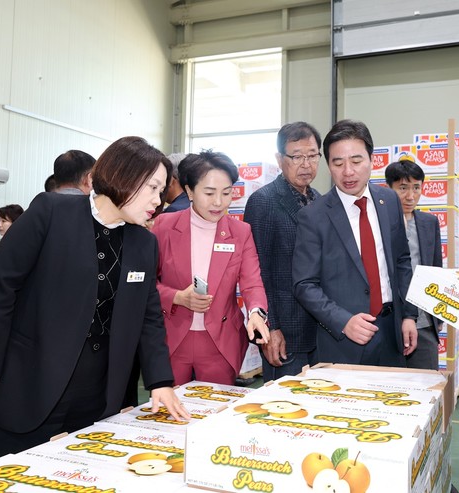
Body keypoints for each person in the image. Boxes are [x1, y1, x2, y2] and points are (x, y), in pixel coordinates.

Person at [0, 136, 190, 465]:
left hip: (99, 392)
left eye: (161, 190)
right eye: (153, 188)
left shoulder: (143, 243)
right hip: (31, 379)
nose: (158, 200)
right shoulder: (51, 212)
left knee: (80, 472)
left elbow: (148, 317)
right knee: (8, 473)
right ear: (123, 175)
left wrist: (160, 381)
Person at [293, 119, 418, 366]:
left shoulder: (389, 201)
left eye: (356, 161)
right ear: (329, 165)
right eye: (338, 163)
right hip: (343, 341)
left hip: (392, 333)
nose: (348, 172)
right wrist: (343, 321)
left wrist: (408, 315)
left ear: (372, 159)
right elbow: (304, 284)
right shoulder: (313, 216)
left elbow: (402, 261)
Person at [152, 151, 270, 386]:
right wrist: (177, 297)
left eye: (226, 193)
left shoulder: (240, 232)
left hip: (220, 341)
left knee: (218, 403)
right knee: (168, 405)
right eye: (209, 193)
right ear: (189, 191)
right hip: (172, 337)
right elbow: (148, 282)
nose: (219, 202)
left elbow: (252, 282)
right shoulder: (165, 226)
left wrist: (257, 313)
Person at [244, 122, 323, 381]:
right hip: (286, 332)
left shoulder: (320, 200)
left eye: (312, 156)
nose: (306, 164)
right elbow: (258, 272)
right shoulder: (263, 201)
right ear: (279, 159)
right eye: (297, 156)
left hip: (321, 330)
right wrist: (271, 328)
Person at [385, 159, 442, 370]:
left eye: (416, 188)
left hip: (423, 322)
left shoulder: (429, 223)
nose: (410, 196)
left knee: (427, 382)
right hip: (388, 324)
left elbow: (435, 268)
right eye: (403, 188)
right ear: (389, 189)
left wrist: (437, 316)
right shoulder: (378, 223)